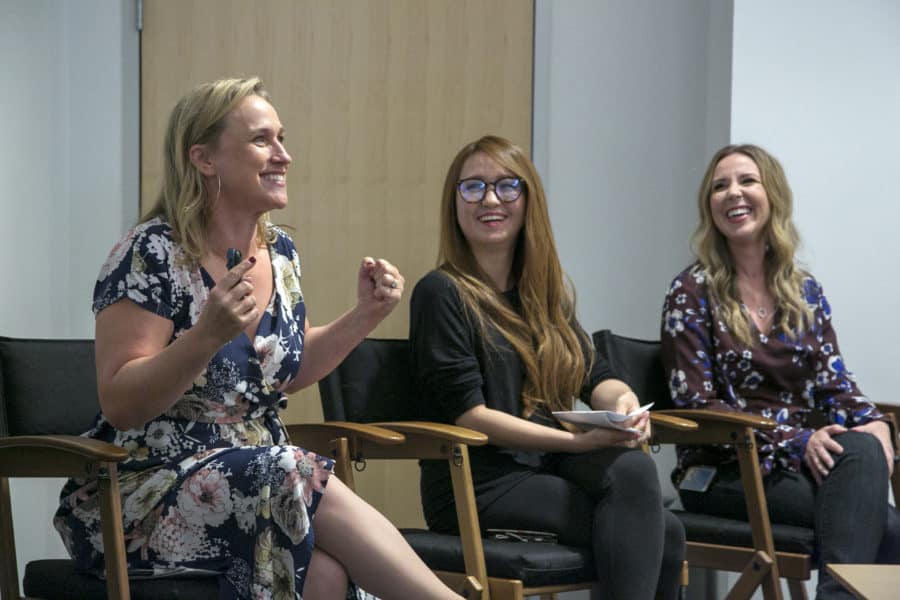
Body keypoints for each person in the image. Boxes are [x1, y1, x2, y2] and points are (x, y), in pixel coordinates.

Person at [53, 77, 462, 600]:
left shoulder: (282, 252)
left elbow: (283, 371)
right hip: (140, 492)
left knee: (327, 575)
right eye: (262, 140)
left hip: (260, 479)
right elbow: (121, 401)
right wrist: (205, 336)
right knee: (290, 467)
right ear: (204, 159)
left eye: (282, 138)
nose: (284, 156)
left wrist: (365, 315)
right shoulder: (150, 252)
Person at [409, 135, 686, 599]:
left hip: (546, 469)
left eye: (506, 186)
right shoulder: (441, 293)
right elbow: (470, 416)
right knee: (657, 530)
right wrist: (577, 443)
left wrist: (623, 403)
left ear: (528, 199)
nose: (490, 199)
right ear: (454, 203)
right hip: (477, 482)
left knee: (645, 492)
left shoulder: (542, 294)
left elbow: (593, 375)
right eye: (472, 187)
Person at [660, 143, 900, 598]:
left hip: (791, 471)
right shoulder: (691, 292)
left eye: (747, 181)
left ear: (773, 195)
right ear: (708, 206)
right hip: (723, 473)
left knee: (866, 450)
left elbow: (836, 384)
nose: (734, 193)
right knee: (885, 527)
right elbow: (697, 405)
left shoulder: (802, 290)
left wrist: (877, 424)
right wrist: (798, 440)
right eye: (720, 186)